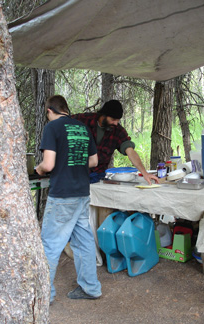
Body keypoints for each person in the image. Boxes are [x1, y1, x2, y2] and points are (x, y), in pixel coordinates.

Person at [35, 95, 102, 303]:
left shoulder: (52, 128)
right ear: (66, 109)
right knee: (84, 242)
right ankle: (91, 288)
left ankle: (45, 295)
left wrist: (38, 169)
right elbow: (93, 161)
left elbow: (48, 165)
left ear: (49, 111)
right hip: (82, 193)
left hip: (62, 195)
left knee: (50, 244)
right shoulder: (82, 128)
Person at [72, 100, 159, 185]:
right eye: (113, 119)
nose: (116, 123)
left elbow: (131, 152)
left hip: (98, 178)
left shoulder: (118, 131)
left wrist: (144, 173)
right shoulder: (83, 120)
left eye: (118, 120)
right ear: (104, 115)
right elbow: (62, 121)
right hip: (74, 173)